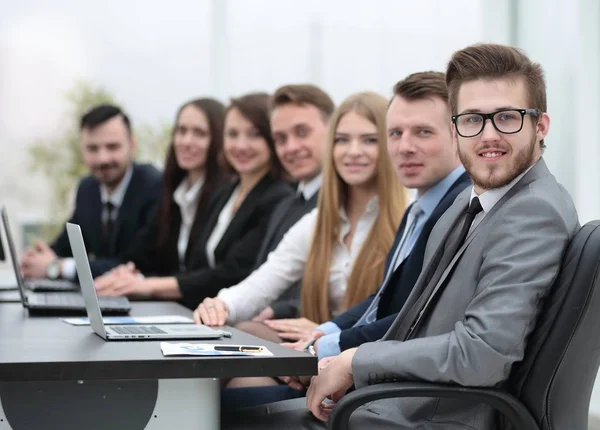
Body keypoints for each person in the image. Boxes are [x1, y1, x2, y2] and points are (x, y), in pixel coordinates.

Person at [222, 43, 580, 430]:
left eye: (507, 117)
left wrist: (356, 362)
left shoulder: (532, 211)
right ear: (456, 128)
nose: (488, 136)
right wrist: (332, 363)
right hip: (401, 400)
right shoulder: (470, 203)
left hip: (428, 417)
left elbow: (482, 354)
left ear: (540, 126)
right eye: (473, 120)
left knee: (222, 412)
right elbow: (415, 320)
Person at [195, 91, 409, 343]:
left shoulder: (410, 214)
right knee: (241, 336)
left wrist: (326, 330)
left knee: (245, 355)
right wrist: (221, 305)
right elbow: (264, 281)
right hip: (321, 350)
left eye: (369, 140)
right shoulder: (318, 220)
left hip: (370, 358)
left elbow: (401, 316)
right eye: (341, 140)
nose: (353, 151)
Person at [94, 93, 292, 310]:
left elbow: (234, 272)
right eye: (232, 134)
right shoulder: (227, 193)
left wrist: (147, 285)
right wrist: (133, 277)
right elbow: (192, 267)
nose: (241, 145)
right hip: (198, 313)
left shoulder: (278, 197)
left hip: (232, 316)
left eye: (254, 135)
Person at [20, 104, 161, 280]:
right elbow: (68, 245)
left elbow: (135, 264)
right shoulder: (88, 189)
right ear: (82, 150)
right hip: (103, 300)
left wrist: (57, 267)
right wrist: (36, 258)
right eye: (93, 149)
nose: (103, 158)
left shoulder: (154, 186)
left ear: (132, 145)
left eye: (112, 147)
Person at [93, 98, 226, 285]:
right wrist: (129, 274)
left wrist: (145, 284)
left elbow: (210, 274)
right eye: (181, 131)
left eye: (200, 133)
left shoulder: (226, 196)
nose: (186, 141)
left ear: (220, 139)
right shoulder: (172, 192)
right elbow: (144, 257)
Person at [249, 84, 335, 324]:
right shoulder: (285, 205)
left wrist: (281, 310)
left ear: (333, 130)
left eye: (302, 132)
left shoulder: (349, 207)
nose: (291, 148)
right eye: (280, 139)